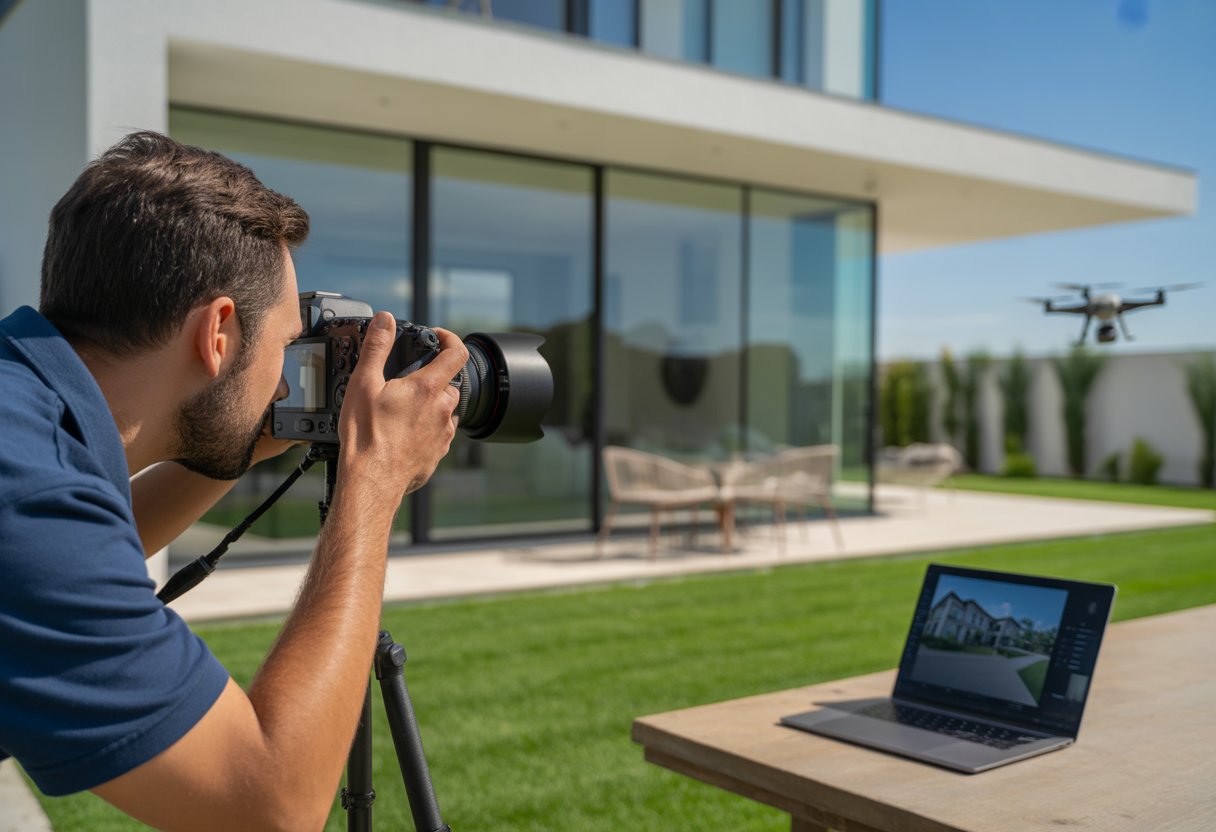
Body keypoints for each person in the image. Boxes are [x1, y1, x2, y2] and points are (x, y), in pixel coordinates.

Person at [0, 131, 468, 831]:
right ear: (218, 333)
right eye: (284, 345)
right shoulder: (29, 498)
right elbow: (269, 806)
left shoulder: (26, 425)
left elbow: (74, 556)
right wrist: (372, 480)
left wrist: (247, 446)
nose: (285, 375)